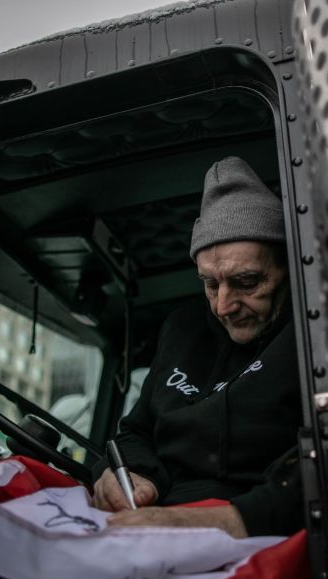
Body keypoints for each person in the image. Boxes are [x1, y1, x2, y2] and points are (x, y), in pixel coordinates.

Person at [90, 156, 303, 538]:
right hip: (156, 516)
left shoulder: (311, 331)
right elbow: (136, 432)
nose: (223, 306)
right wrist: (135, 475)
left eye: (247, 281)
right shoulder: (181, 327)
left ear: (288, 268)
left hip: (267, 532)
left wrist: (232, 521)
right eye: (210, 284)